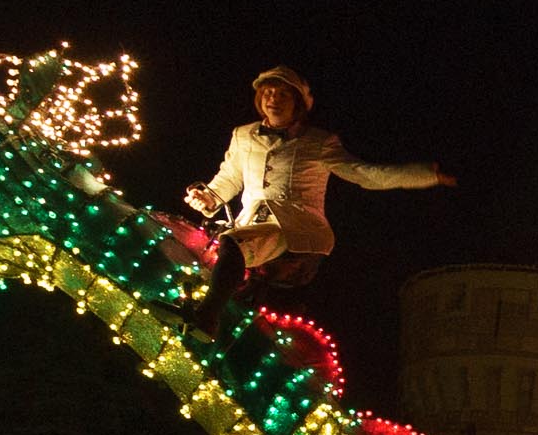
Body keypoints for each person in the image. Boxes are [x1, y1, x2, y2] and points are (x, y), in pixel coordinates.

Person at [181, 66, 454, 332]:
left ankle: (207, 317)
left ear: (298, 102)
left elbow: (365, 174)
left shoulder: (319, 142)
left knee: (232, 245)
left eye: (283, 94)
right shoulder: (243, 135)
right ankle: (194, 313)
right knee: (205, 251)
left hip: (295, 230)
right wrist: (208, 198)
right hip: (252, 225)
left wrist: (425, 175)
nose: (273, 99)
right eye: (268, 93)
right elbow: (229, 178)